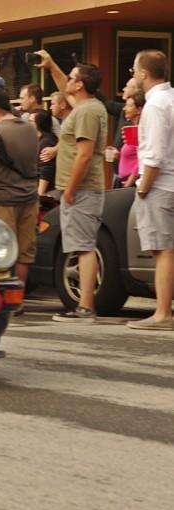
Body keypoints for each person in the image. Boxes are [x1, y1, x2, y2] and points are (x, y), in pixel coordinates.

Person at [36, 50, 108, 323]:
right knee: (81, 246)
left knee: (85, 247)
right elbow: (61, 86)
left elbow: (85, 154)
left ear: (80, 85)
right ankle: (84, 305)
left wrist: (69, 189)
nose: (66, 79)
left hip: (82, 190)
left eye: (72, 77)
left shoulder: (88, 111)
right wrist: (52, 64)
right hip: (79, 190)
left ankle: (85, 307)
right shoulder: (83, 107)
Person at [127, 49, 174, 331]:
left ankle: (162, 313)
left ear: (144, 73)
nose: (132, 73)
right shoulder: (170, 98)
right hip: (170, 182)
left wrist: (143, 187)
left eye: (134, 68)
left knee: (162, 250)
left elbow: (154, 155)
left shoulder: (156, 105)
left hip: (159, 184)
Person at [0, 88, 39, 293]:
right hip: (30, 198)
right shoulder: (31, 129)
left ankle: (2, 296)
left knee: (0, 250)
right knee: (24, 252)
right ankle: (17, 298)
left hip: (0, 200)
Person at [115, 92, 144, 188]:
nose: (124, 109)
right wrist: (119, 155)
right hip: (123, 181)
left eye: (128, 106)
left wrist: (128, 184)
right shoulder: (131, 129)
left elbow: (140, 160)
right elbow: (133, 156)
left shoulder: (138, 131)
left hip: (130, 185)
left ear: (138, 110)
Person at [32, 109, 58, 195]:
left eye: (30, 121)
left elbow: (46, 169)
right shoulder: (37, 140)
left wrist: (40, 193)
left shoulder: (46, 142)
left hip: (48, 190)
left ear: (38, 124)